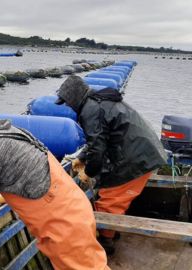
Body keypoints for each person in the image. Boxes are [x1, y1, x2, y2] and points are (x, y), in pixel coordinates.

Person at [0, 113, 109, 270]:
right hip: (71, 205)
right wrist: (10, 191)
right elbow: (21, 162)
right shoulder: (4, 129)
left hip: (62, 220)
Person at [55, 75, 168, 254]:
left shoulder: (90, 110)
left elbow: (98, 149)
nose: (68, 105)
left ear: (74, 97)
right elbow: (100, 138)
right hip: (144, 150)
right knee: (112, 193)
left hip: (138, 157)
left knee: (110, 200)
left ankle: (106, 243)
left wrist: (89, 172)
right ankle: (111, 232)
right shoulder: (97, 101)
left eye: (67, 101)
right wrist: (82, 157)